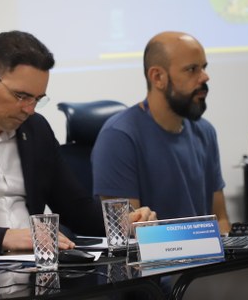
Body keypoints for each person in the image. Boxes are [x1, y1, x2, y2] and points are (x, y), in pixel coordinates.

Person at [0, 30, 155, 256]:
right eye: (21, 96)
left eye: (37, 99)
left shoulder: (36, 129)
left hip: (36, 272)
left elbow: (76, 209)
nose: (29, 109)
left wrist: (125, 222)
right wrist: (5, 237)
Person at [91, 31, 232, 234]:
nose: (205, 77)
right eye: (192, 69)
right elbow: (126, 234)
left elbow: (221, 219)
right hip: (157, 254)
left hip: (206, 253)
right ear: (158, 77)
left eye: (204, 67)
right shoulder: (119, 137)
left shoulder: (205, 131)